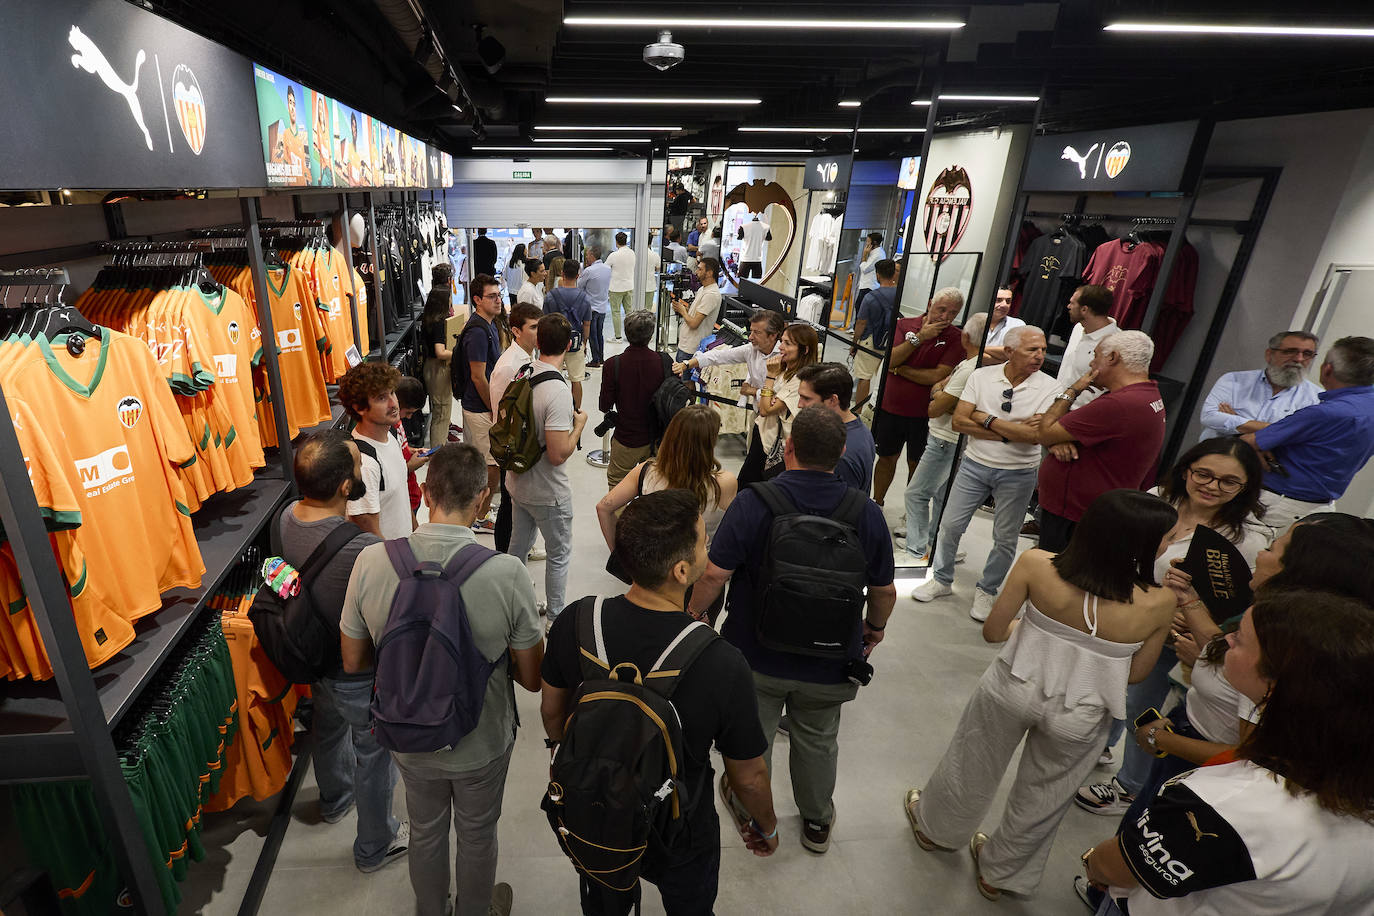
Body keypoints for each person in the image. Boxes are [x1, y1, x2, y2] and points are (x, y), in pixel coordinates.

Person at [905, 489, 1177, 901]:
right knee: (1047, 794)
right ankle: (1000, 874)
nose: (1168, 545)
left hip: (1012, 685)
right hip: (1084, 712)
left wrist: (1040, 636)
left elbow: (994, 631)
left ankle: (937, 832)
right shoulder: (1160, 602)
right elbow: (1136, 674)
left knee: (973, 760)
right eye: (1165, 537)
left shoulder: (1038, 564)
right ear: (1143, 542)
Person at [541, 490, 777, 915]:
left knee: (604, 893)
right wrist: (766, 824)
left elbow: (553, 713)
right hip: (680, 823)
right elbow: (750, 777)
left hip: (599, 808)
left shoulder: (577, 621)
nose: (709, 549)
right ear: (682, 570)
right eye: (704, 542)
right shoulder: (720, 661)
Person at [340, 444, 543, 916]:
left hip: (405, 730)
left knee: (426, 829)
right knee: (477, 832)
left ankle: (431, 909)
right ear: (483, 500)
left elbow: (353, 659)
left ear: (424, 493)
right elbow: (532, 679)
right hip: (480, 738)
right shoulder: (506, 573)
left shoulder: (371, 561)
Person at [1081, 591, 1374, 916]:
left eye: (1240, 639)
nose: (1227, 638)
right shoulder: (1350, 782)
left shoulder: (1224, 803)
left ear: (1276, 685)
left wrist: (1092, 861)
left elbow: (1114, 866)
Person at [689, 407, 896, 854]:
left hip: (754, 652)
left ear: (788, 448)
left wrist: (692, 616)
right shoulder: (866, 513)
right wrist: (872, 630)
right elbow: (884, 591)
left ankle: (749, 811)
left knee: (753, 736)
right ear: (841, 453)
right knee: (819, 739)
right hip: (830, 659)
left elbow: (713, 575)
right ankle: (817, 822)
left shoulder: (755, 501)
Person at [1075, 436, 1268, 817]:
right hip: (1124, 619)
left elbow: (1242, 608)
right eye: (1204, 474)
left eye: (1229, 482)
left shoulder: (1246, 540)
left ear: (1245, 488)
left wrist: (1194, 616)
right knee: (1107, 690)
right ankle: (1101, 745)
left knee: (1141, 705)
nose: (1212, 486)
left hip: (1179, 641)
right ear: (1186, 469)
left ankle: (1129, 786)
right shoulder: (1155, 499)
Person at [280, 431, 406, 873]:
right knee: (374, 754)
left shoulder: (286, 517)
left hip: (313, 657)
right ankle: (376, 844)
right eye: (355, 467)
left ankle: (335, 799)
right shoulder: (364, 550)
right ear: (344, 487)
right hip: (356, 672)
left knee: (329, 728)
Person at [911, 326, 1061, 621]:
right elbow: (958, 422)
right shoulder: (981, 377)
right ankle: (941, 579)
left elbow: (1034, 437)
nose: (1040, 355)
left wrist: (985, 417)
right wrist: (1011, 432)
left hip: (1019, 473)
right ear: (1009, 351)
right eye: (1032, 349)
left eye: (1042, 349)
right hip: (974, 465)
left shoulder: (1051, 388)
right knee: (950, 526)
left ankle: (987, 590)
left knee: (1005, 538)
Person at [1032, 330, 1168, 552]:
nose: (1092, 364)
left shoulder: (1120, 404)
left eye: (1095, 356)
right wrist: (1059, 438)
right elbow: (1063, 432)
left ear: (1113, 357)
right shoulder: (1146, 394)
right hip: (1093, 511)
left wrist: (1073, 389)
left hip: (1076, 515)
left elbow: (1044, 431)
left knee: (1052, 580)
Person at [1240, 335, 1374, 539]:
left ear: (1326, 369)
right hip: (1320, 509)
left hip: (1275, 506)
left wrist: (1259, 441)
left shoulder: (1324, 413)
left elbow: (1246, 443)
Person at [506, 314, 588, 626]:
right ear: (569, 345)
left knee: (518, 550)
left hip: (519, 482)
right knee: (558, 554)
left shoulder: (523, 371)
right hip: (548, 492)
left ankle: (511, 606)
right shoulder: (557, 390)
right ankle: (555, 620)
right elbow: (557, 454)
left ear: (538, 342)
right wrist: (578, 426)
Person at [900, 312, 987, 565]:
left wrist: (939, 392)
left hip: (943, 439)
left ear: (966, 336)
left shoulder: (968, 368)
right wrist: (940, 391)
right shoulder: (976, 365)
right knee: (940, 496)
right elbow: (939, 390)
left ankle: (916, 550)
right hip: (955, 440)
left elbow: (934, 408)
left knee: (915, 494)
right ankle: (934, 544)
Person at [596, 404, 740, 553]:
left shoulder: (646, 472)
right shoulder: (724, 483)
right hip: (699, 567)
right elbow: (731, 534)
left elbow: (604, 507)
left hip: (655, 566)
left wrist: (620, 557)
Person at [872, 287, 964, 506]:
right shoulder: (904, 325)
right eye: (942, 309)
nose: (945, 317)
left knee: (917, 465)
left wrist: (902, 370)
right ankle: (877, 503)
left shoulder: (956, 337)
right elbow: (891, 361)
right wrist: (920, 338)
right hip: (890, 407)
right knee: (885, 458)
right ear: (930, 303)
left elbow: (938, 375)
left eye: (953, 313)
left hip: (924, 415)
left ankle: (910, 514)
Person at [489, 302, 543, 555]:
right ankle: (504, 557)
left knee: (521, 505)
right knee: (510, 508)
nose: (538, 332)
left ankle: (522, 548)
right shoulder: (510, 365)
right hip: (512, 448)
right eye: (533, 327)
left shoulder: (527, 358)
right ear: (516, 331)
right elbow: (502, 413)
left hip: (524, 445)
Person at [1199, 330, 1322, 440]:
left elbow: (1302, 438)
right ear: (1269, 354)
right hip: (1214, 454)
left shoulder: (1317, 398)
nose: (1299, 359)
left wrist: (1237, 422)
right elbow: (1209, 416)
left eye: (1307, 354)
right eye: (1290, 351)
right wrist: (1280, 429)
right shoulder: (1233, 380)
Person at [738, 322, 820, 487]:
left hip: (774, 445)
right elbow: (767, 403)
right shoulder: (784, 369)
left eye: (787, 343)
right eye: (781, 341)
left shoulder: (800, 379)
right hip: (763, 435)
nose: (780, 347)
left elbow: (765, 409)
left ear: (804, 350)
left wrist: (769, 378)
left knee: (754, 486)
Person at [342, 361, 416, 539]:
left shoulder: (391, 433)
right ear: (359, 408)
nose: (393, 404)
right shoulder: (364, 463)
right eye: (381, 398)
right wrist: (397, 563)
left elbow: (401, 496)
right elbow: (367, 527)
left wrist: (415, 534)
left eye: (392, 393)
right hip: (391, 561)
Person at [457, 273, 505, 534]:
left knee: (486, 461)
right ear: (477, 300)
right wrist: (494, 408)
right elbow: (478, 376)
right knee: (492, 466)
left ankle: (480, 508)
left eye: (499, 295)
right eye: (491, 296)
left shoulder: (487, 325)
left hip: (480, 405)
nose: (498, 300)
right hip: (479, 407)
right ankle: (480, 516)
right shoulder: (477, 332)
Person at [599, 310, 669, 488]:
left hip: (626, 438)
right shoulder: (664, 362)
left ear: (626, 332)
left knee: (617, 485)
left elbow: (604, 404)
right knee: (653, 487)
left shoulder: (612, 365)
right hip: (656, 440)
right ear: (651, 334)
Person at [675, 308, 784, 412]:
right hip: (758, 412)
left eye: (757, 332)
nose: (750, 337)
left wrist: (752, 391)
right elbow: (717, 356)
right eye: (751, 331)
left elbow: (781, 396)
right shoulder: (751, 349)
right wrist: (686, 364)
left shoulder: (785, 357)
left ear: (773, 335)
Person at [797, 362, 874, 493]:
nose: (799, 404)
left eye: (806, 398)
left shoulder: (840, 454)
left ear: (833, 400)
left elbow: (838, 507)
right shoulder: (859, 428)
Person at [1055, 284, 1118, 408]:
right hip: (1057, 404)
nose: (1068, 306)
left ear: (1084, 310)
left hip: (1081, 416)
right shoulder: (1078, 328)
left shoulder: (1116, 344)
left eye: (1072, 303)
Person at [544, 260, 592, 411]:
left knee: (553, 379)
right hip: (575, 342)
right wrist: (584, 343)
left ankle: (555, 409)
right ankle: (576, 411)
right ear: (578, 276)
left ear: (562, 274)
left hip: (554, 341)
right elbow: (587, 324)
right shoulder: (584, 297)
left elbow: (544, 321)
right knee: (576, 380)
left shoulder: (551, 296)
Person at [850, 258, 898, 409]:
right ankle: (877, 410)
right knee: (886, 379)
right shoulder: (900, 294)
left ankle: (858, 410)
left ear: (877, 275)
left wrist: (855, 342)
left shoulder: (870, 297)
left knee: (865, 377)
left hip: (870, 341)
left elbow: (861, 322)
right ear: (893, 274)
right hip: (892, 341)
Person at [421, 265, 457, 448]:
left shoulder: (430, 318)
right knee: (441, 413)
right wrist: (459, 352)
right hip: (438, 370)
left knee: (440, 411)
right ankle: (438, 453)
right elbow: (440, 352)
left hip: (433, 368)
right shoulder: (439, 324)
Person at [672, 257, 722, 363]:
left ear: (709, 273)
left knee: (685, 379)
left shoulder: (711, 295)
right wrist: (685, 309)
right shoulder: (702, 289)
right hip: (685, 344)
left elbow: (694, 323)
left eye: (700, 269)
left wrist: (683, 311)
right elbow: (696, 313)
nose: (696, 272)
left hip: (691, 348)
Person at [577, 246, 612, 368]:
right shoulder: (608, 269)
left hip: (590, 307)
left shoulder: (589, 271)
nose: (586, 257)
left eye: (587, 255)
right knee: (599, 334)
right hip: (602, 306)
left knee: (592, 335)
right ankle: (601, 358)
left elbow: (579, 286)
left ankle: (595, 360)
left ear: (592, 255)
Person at [604, 231, 636, 340]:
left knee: (616, 312)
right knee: (629, 312)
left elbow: (605, 268)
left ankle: (618, 337)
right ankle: (631, 336)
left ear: (616, 242)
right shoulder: (632, 253)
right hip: (629, 286)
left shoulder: (614, 255)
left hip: (616, 287)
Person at [980, 287, 1025, 363]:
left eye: (1008, 301)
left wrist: (979, 349)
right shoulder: (977, 321)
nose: (1004, 305)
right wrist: (999, 359)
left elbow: (1012, 353)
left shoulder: (1018, 325)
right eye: (999, 300)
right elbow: (970, 352)